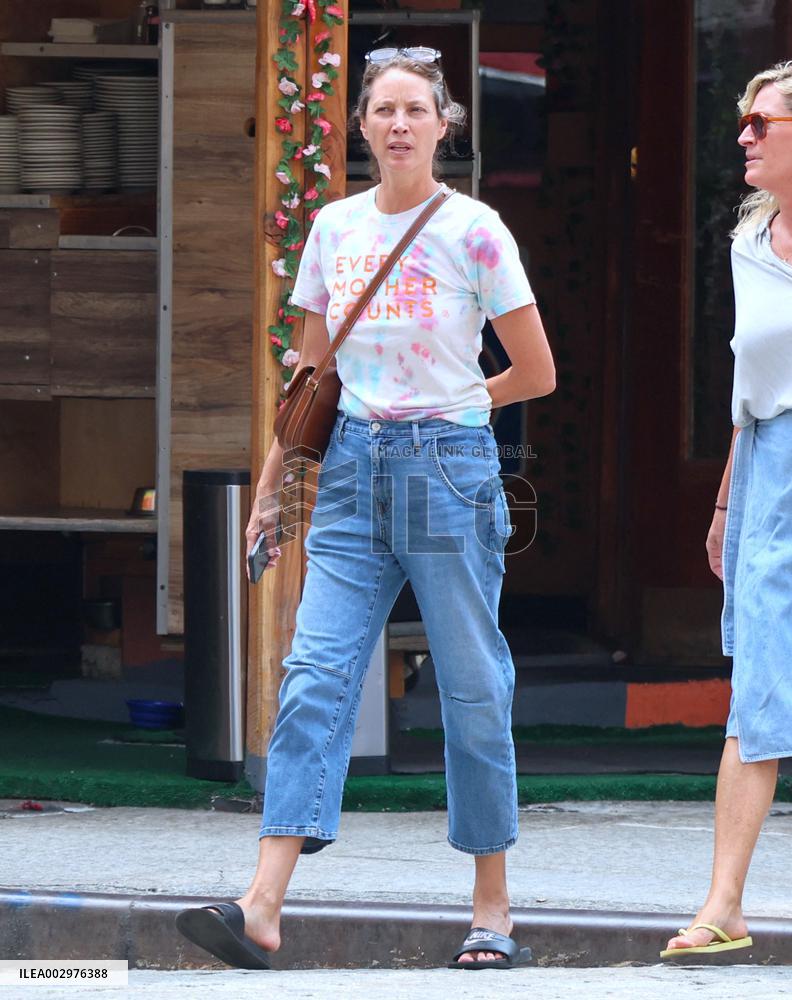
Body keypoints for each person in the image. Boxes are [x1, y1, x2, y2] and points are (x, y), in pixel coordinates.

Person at [177, 46, 555, 970]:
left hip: (449, 470)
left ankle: (493, 912)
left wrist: (457, 406)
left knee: (472, 687)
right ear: (360, 126)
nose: (397, 125)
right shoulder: (335, 229)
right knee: (314, 676)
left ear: (442, 125)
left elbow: (537, 372)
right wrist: (273, 486)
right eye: (381, 110)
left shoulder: (476, 231)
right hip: (347, 472)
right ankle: (262, 906)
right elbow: (315, 374)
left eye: (415, 111)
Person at [661, 60, 792, 960]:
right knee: (758, 690)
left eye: (761, 121)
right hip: (773, 472)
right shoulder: (750, 244)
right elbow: (752, 390)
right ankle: (724, 905)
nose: (743, 136)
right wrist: (723, 502)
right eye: (742, 123)